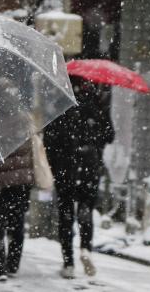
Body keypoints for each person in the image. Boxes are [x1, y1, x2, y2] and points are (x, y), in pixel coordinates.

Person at [43, 77, 115, 278]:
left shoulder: (60, 106)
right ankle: (86, 249)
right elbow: (110, 135)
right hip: (90, 168)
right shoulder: (96, 104)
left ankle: (68, 263)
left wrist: (56, 164)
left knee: (65, 215)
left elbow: (49, 140)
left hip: (66, 169)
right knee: (86, 211)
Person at [0, 133, 52, 279]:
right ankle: (12, 265)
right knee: (17, 223)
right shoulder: (24, 125)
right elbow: (31, 153)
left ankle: (0, 267)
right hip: (21, 182)